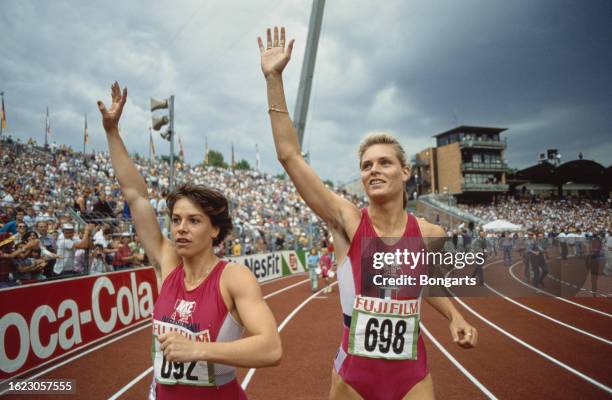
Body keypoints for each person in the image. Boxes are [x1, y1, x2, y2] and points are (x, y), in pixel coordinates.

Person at [259, 27, 477, 400]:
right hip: (353, 377)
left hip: (412, 374)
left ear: (405, 172)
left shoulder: (427, 232)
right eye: (366, 165)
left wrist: (456, 316)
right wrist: (274, 80)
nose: (373, 169)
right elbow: (289, 156)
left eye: (384, 163)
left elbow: (426, 282)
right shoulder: (348, 221)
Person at [98, 81, 281, 399]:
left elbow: (271, 348)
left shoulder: (233, 278)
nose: (181, 228)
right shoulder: (167, 264)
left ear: (214, 230)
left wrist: (200, 349)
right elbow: (135, 195)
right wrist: (112, 131)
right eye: (176, 220)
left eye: (194, 221)